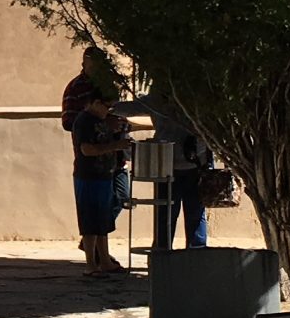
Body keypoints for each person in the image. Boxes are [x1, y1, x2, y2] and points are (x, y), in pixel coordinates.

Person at [63, 45, 133, 277]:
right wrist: (109, 137)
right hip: (90, 174)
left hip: (109, 168)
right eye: (104, 106)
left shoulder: (107, 92)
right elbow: (86, 148)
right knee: (91, 219)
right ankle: (92, 262)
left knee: (108, 211)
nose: (107, 109)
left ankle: (104, 259)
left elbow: (118, 116)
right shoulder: (83, 117)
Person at [137, 83, 212, 252]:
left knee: (194, 213)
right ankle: (165, 252)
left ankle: (195, 253)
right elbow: (131, 108)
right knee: (167, 213)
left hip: (193, 168)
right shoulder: (157, 102)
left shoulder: (196, 102)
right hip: (167, 168)